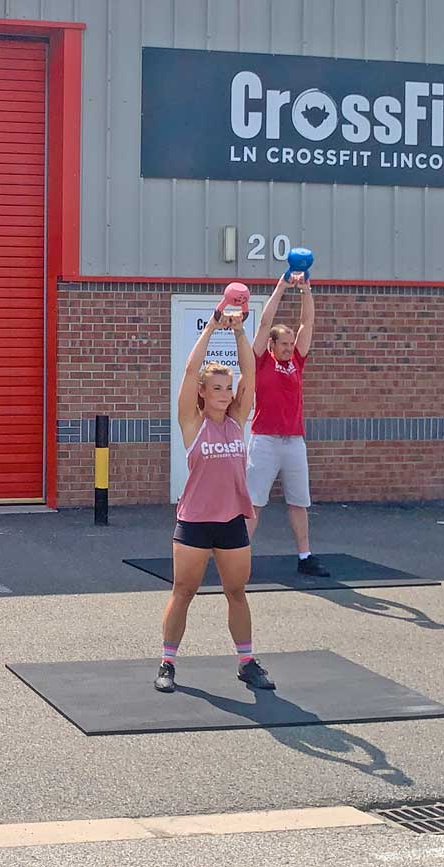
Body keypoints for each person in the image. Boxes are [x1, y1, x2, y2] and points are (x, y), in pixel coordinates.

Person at [157, 304, 274, 693]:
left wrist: (239, 329)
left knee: (237, 592)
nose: (226, 394)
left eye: (229, 388)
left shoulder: (238, 421)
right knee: (184, 591)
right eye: (218, 388)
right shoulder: (193, 423)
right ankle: (167, 662)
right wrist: (212, 325)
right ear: (203, 394)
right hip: (194, 521)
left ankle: (246, 662)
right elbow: (191, 371)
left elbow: (252, 372)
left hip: (231, 523)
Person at [248, 271, 326, 577]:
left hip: (294, 441)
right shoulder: (261, 359)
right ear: (271, 344)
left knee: (299, 502)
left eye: (291, 342)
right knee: (254, 502)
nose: (288, 347)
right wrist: (282, 285)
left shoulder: (297, 359)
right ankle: (240, 557)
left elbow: (308, 323)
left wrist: (305, 288)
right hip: (264, 440)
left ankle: (305, 556)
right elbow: (266, 321)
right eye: (283, 343)